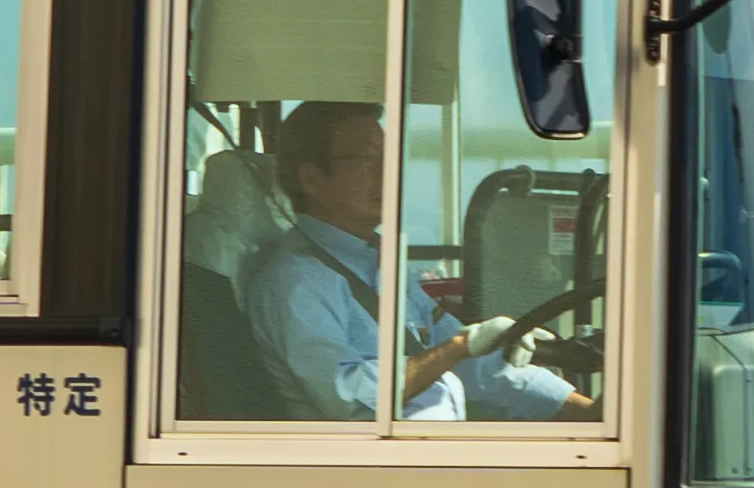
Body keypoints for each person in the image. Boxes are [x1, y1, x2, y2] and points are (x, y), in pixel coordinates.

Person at [240, 98, 570, 420]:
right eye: (369, 159)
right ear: (312, 180)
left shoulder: (379, 263)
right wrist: (460, 345)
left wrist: (581, 410)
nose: (389, 172)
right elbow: (351, 395)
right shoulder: (295, 282)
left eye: (390, 157)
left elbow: (477, 368)